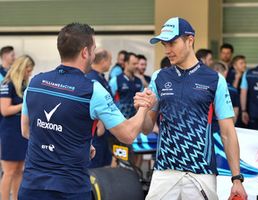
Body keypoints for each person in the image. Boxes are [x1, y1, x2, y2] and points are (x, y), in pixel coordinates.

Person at [18, 23, 156, 200]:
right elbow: (128, 135)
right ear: (85, 53)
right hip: (70, 189)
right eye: (93, 50)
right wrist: (144, 107)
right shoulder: (92, 90)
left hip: (32, 186)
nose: (94, 54)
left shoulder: (35, 83)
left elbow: (26, 130)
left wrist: (76, 144)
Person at [134, 17, 247, 200]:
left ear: (190, 40)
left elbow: (227, 132)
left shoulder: (215, 79)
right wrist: (142, 109)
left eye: (172, 43)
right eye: (164, 44)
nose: (167, 50)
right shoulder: (159, 77)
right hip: (164, 171)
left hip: (201, 173)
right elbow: (147, 128)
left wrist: (237, 179)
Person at [0, 55, 34, 200]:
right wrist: (24, 105)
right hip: (10, 132)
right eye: (28, 70)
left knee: (20, 170)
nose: (30, 73)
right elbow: (5, 110)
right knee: (9, 171)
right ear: (21, 68)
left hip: (22, 131)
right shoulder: (7, 84)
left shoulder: (24, 85)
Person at [85, 48, 113, 168]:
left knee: (104, 163)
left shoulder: (100, 77)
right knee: (95, 167)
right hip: (97, 132)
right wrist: (100, 124)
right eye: (110, 60)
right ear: (103, 61)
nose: (111, 64)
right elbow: (94, 102)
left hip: (105, 132)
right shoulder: (93, 78)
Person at [109, 52, 143, 119]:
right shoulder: (115, 80)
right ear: (126, 64)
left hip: (135, 120)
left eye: (137, 64)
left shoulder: (139, 81)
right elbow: (108, 100)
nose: (136, 66)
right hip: (120, 120)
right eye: (134, 64)